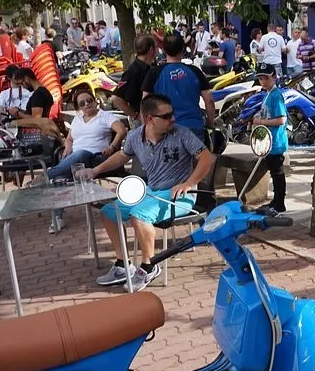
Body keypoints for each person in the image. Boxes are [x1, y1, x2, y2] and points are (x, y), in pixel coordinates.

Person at [83, 94, 215, 290]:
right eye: (167, 116)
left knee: (140, 214)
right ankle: (122, 265)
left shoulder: (182, 133)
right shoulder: (136, 136)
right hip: (151, 191)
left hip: (178, 196)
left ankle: (149, 266)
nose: (173, 119)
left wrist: (189, 182)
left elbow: (207, 158)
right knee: (109, 212)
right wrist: (94, 171)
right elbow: (122, 156)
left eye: (172, 114)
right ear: (149, 119)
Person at [47, 89, 127, 232]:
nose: (87, 104)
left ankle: (46, 177)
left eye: (89, 100)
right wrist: (67, 147)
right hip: (76, 159)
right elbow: (70, 139)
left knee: (80, 154)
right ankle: (57, 219)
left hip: (97, 158)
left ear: (95, 100)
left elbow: (122, 130)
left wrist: (112, 146)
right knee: (60, 177)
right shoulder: (77, 118)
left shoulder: (105, 116)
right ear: (78, 107)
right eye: (82, 103)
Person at [142, 33, 215, 141]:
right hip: (193, 127)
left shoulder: (154, 72)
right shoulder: (195, 71)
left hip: (164, 129)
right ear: (182, 49)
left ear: (164, 50)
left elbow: (145, 101)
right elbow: (209, 100)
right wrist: (210, 123)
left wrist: (146, 127)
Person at [252, 66, 288, 216]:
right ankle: (276, 201)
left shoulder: (276, 95)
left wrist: (261, 122)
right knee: (274, 173)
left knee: (278, 173)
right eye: (260, 78)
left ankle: (279, 204)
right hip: (268, 142)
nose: (263, 81)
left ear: (274, 76)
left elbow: (281, 119)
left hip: (276, 142)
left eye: (266, 78)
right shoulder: (268, 94)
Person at [111, 34, 158, 122]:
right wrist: (135, 116)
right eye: (156, 47)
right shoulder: (134, 71)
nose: (158, 50)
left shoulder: (149, 68)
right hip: (143, 120)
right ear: (151, 50)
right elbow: (116, 98)